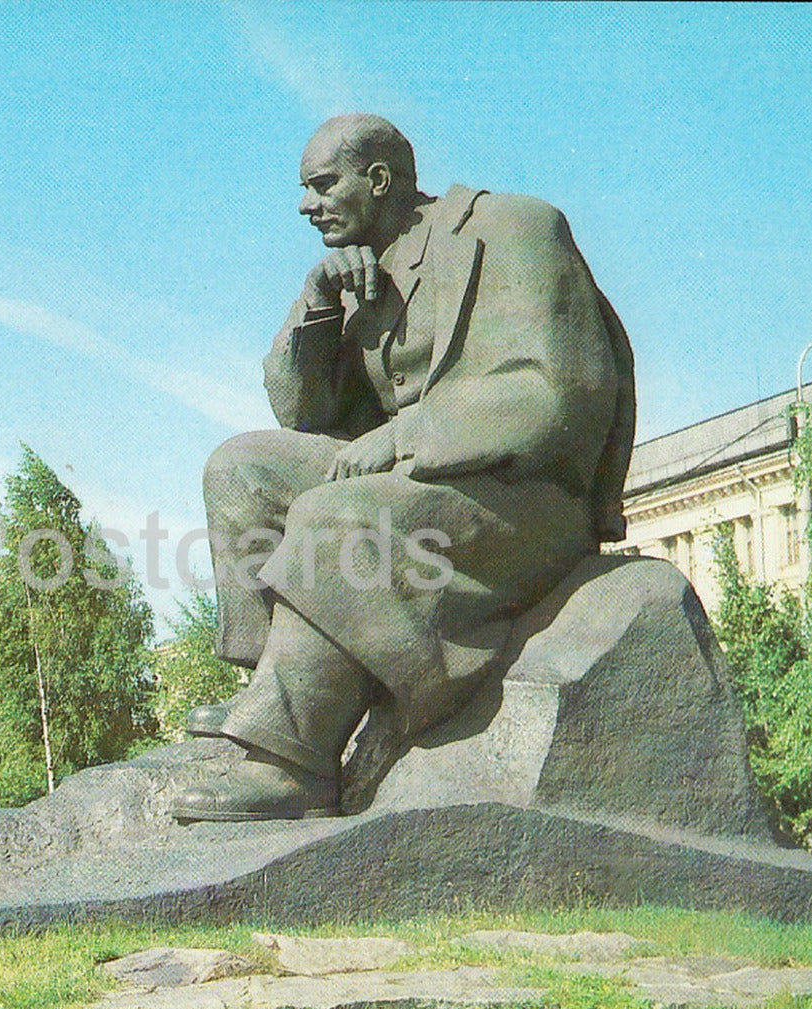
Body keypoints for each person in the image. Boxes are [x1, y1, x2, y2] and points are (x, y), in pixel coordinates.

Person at [174, 114, 635, 822]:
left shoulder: (512, 228)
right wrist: (318, 307)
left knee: (335, 517)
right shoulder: (363, 267)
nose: (306, 205)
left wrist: (407, 436)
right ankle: (279, 690)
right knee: (242, 470)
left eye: (322, 185)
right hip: (421, 486)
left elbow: (561, 393)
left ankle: (293, 764)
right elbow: (301, 414)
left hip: (521, 498)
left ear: (379, 178)